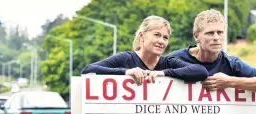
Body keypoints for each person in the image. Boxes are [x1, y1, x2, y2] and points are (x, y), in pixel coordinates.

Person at [167, 9, 256, 93]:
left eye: (220, 32)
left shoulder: (231, 64)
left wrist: (229, 82)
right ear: (197, 37)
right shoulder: (176, 58)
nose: (216, 37)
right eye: (210, 33)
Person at [81, 15, 209, 85]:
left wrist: (163, 73)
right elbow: (88, 70)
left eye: (165, 37)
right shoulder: (125, 58)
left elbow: (201, 71)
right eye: (157, 35)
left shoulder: (168, 62)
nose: (161, 41)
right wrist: (127, 72)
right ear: (142, 36)